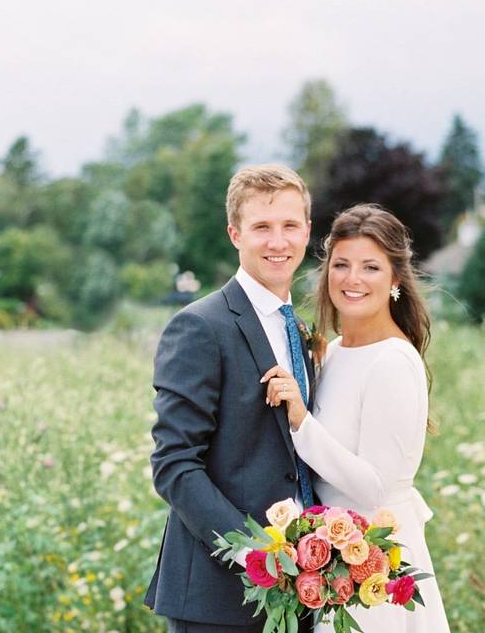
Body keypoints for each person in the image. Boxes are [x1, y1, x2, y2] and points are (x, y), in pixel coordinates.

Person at [261, 204, 450, 633]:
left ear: (395, 279)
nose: (353, 279)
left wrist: (301, 422)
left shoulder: (394, 360)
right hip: (336, 567)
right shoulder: (337, 351)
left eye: (370, 267)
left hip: (379, 567)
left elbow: (374, 486)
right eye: (341, 264)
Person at [145, 164, 317, 633]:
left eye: (289, 226)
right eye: (262, 227)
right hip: (218, 601)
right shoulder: (200, 326)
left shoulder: (299, 329)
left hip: (302, 593)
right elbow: (174, 464)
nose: (277, 242)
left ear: (307, 231)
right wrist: (256, 552)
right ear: (235, 233)